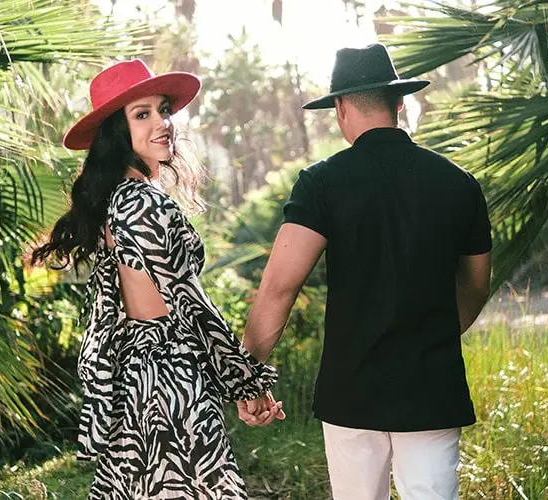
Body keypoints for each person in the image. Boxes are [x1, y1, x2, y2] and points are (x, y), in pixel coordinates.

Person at [237, 43, 494, 500]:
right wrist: (431, 335)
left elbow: (279, 288)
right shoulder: (458, 184)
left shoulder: (322, 183)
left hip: (351, 391)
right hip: (432, 390)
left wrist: (249, 375)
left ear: (339, 108)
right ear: (399, 103)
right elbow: (476, 286)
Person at [31, 59, 280, 499]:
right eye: (141, 114)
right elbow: (189, 303)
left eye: (163, 109)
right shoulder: (142, 203)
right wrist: (247, 382)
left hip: (140, 378)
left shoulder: (118, 200)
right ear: (116, 133)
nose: (163, 123)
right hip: (170, 383)